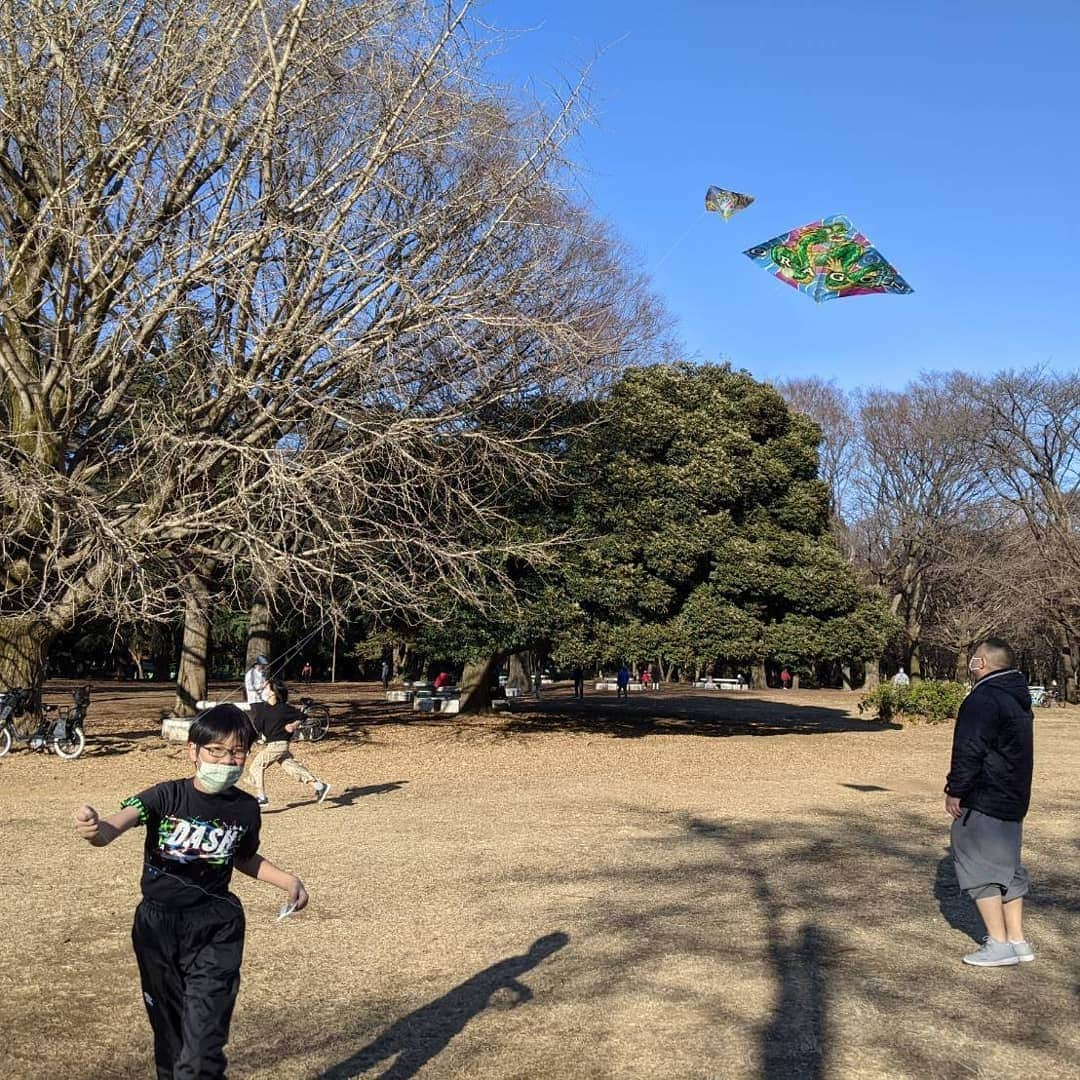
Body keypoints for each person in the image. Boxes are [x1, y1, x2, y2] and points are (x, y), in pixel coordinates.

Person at [73, 704, 309, 1078]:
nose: (227, 760)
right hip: (157, 928)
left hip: (216, 928)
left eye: (237, 752)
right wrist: (96, 829)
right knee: (169, 1037)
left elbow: (242, 857)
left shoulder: (246, 808)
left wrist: (287, 880)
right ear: (193, 751)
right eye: (216, 750)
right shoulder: (165, 796)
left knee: (202, 1043)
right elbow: (113, 828)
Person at [944, 637, 1034, 967]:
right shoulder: (1017, 698)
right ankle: (1017, 940)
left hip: (985, 796)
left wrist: (956, 790)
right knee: (1008, 868)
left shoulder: (982, 699)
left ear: (984, 663)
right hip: (1013, 797)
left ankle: (997, 943)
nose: (971, 665)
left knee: (978, 867)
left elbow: (969, 750)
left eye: (973, 659)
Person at [247, 683, 331, 807]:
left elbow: (302, 716)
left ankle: (262, 797)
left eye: (266, 687)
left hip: (279, 745)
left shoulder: (284, 708)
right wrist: (248, 745)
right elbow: (257, 729)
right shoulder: (262, 709)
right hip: (271, 745)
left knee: (256, 766)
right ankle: (320, 786)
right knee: (291, 767)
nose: (263, 689)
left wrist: (294, 725)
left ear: (274, 692)